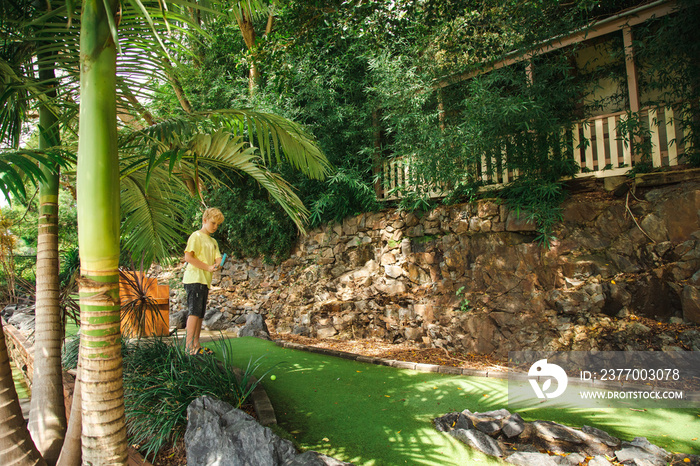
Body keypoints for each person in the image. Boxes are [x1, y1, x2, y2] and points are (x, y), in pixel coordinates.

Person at [183, 207, 224, 355]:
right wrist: (207, 267)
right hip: (194, 279)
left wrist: (218, 264)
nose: (215, 227)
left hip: (204, 281)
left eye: (218, 224)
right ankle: (189, 347)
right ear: (204, 220)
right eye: (213, 223)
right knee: (194, 312)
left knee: (200, 314)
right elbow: (188, 257)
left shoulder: (213, 241)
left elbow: (218, 257)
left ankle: (196, 345)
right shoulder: (196, 236)